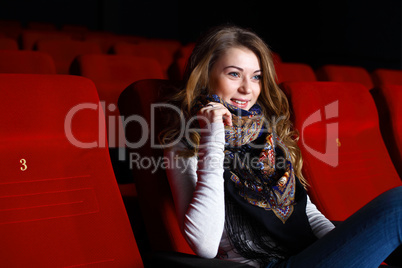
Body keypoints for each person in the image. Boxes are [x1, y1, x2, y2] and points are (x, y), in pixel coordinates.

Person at [160, 24, 402, 268]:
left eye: (256, 77)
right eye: (234, 74)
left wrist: (347, 248)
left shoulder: (267, 135)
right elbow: (205, 245)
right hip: (265, 265)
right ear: (206, 75)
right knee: (398, 205)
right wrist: (214, 135)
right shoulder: (185, 144)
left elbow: (306, 213)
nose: (247, 88)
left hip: (307, 255)